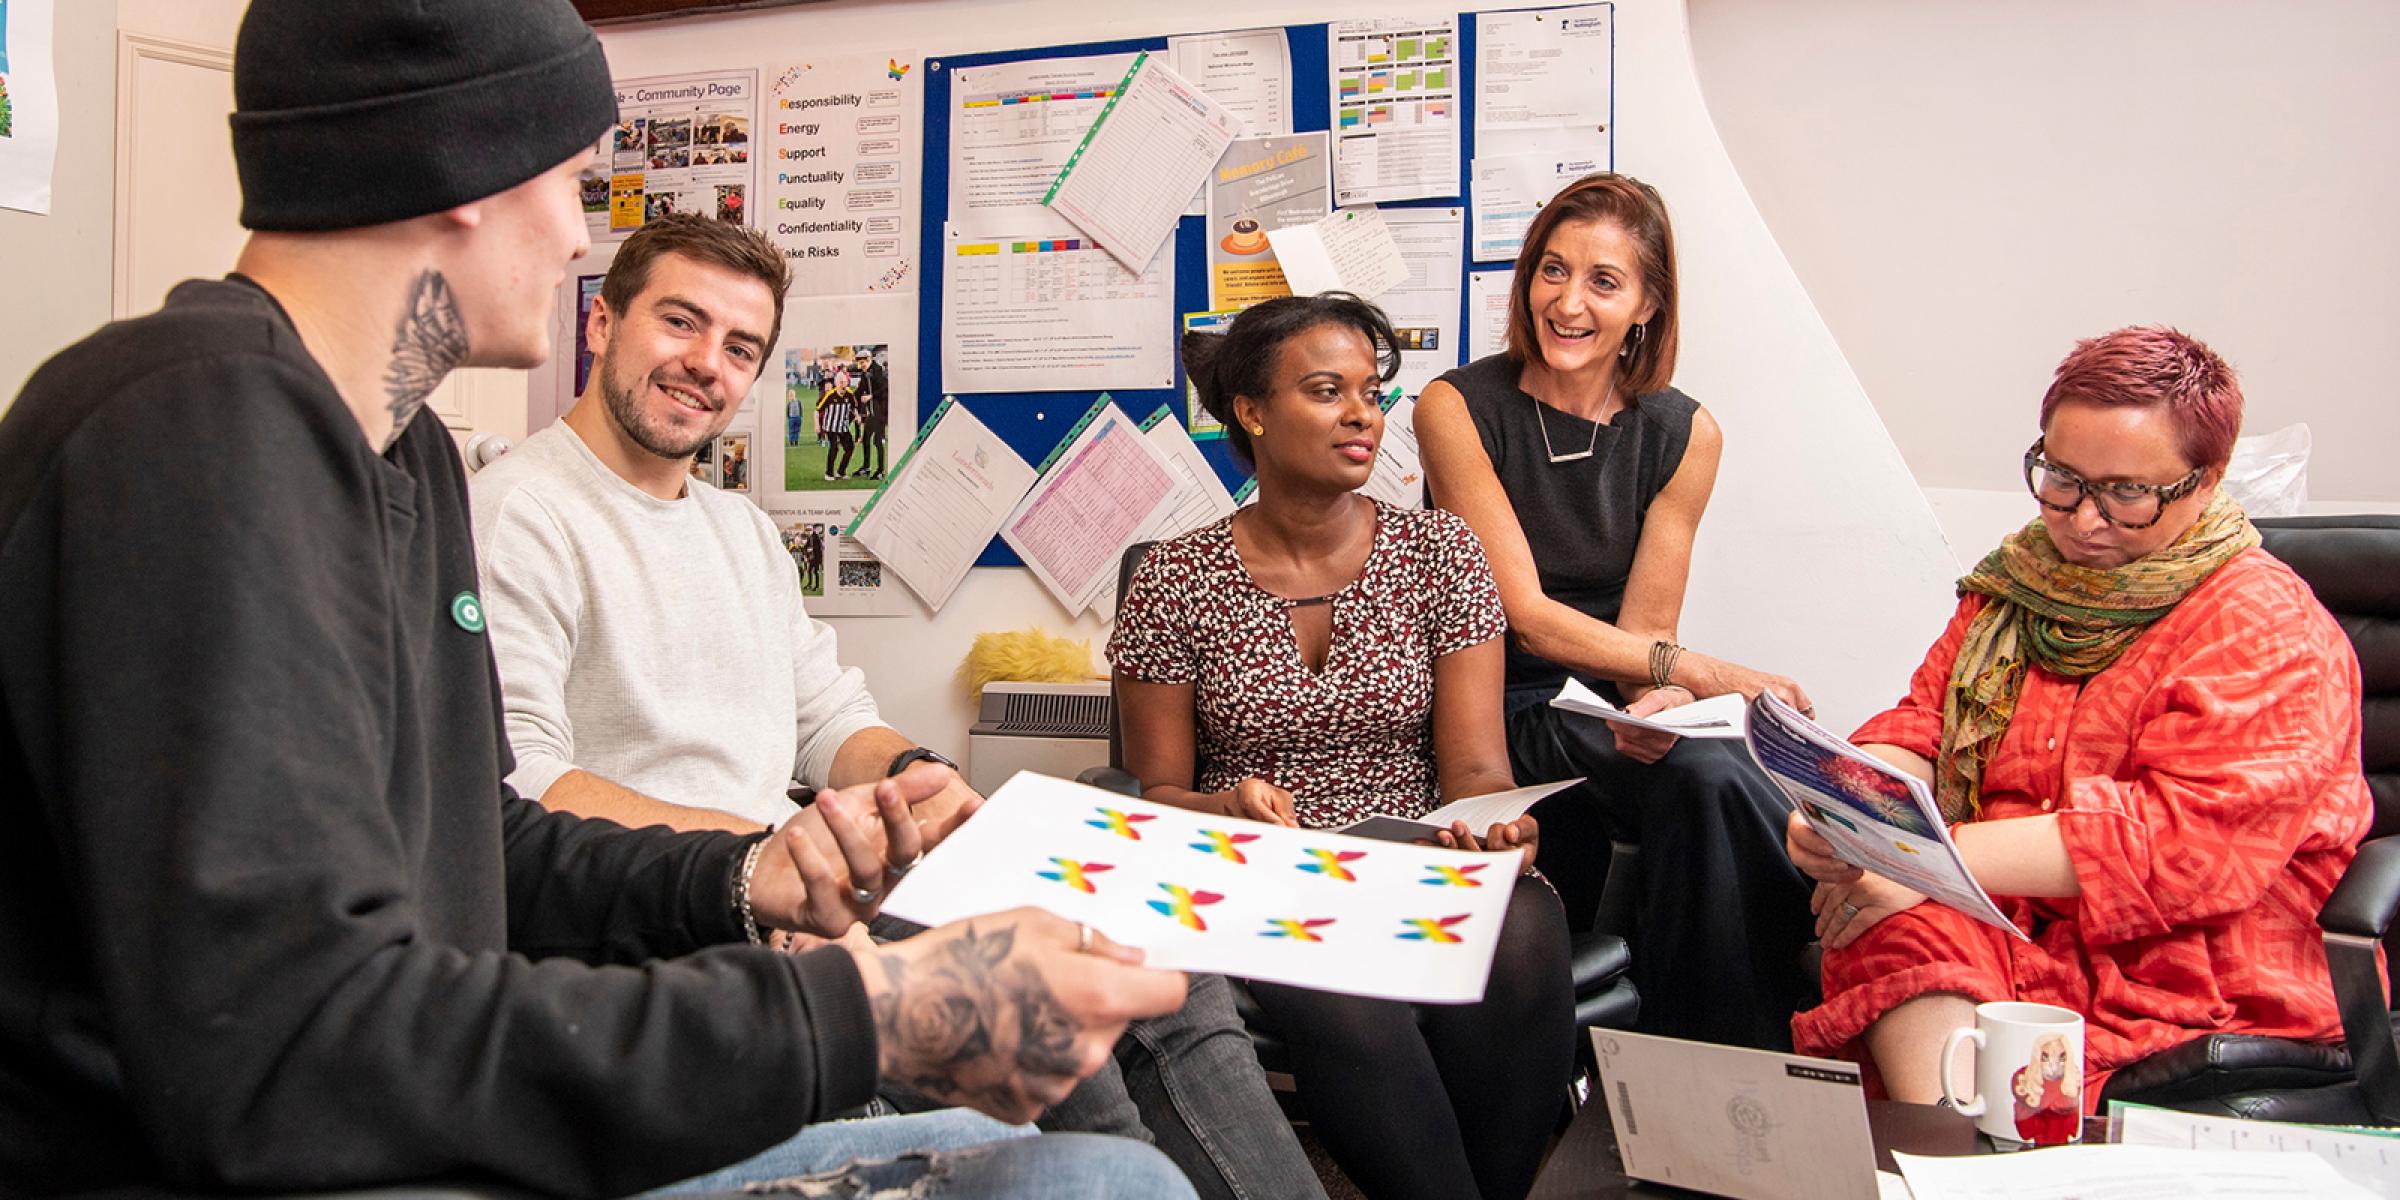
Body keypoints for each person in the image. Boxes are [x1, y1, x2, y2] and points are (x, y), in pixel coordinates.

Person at [0, 3, 1194, 1195]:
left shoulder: (400, 454)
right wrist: (857, 1015)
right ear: (461, 159)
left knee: (1085, 1162)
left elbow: (486, 839)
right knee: (1094, 1186)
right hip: (336, 1153)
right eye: (572, 181)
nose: (577, 234)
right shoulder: (196, 429)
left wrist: (739, 879)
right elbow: (283, 1048)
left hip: (446, 1099)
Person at [470, 213, 1324, 1200]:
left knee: (1148, 947)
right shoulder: (520, 511)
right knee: (1042, 1001)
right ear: (602, 323)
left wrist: (927, 777)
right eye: (679, 323)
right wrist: (758, 857)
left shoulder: (739, 528)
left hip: (801, 878)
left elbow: (828, 720)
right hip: (676, 908)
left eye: (740, 346)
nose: (706, 363)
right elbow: (519, 785)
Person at [1787, 326, 2371, 1106]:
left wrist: (1927, 863)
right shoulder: (2019, 585)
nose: (2084, 519)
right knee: (1887, 919)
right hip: (2013, 920)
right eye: (2061, 477)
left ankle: (1980, 1154)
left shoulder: (2264, 626)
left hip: (2188, 956)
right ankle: (1958, 1160)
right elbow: (1925, 724)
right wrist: (1850, 806)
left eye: (2126, 493)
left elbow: (2173, 845)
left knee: (1904, 908)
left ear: (2206, 481)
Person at [1111, 293, 1576, 1200]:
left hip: (1414, 851)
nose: (1363, 413)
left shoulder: (1441, 552)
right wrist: (1226, 805)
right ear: (1251, 410)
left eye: (1372, 391)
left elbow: (1479, 771)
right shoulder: (1173, 577)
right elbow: (1151, 792)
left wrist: (1499, 831)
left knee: (1523, 929)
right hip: (1260, 870)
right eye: (1328, 391)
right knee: (1330, 963)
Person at [1414, 172, 1816, 1049]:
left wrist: (1660, 703)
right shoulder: (1457, 406)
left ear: (1646, 305)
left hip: (1601, 709)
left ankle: (1701, 1056)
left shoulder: (1685, 432)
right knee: (1718, 779)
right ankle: (1759, 1038)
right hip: (1497, 704)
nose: (1567, 301)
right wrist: (1707, 675)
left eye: (1603, 281)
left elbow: (1645, 635)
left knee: (1711, 772)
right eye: (1552, 271)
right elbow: (1521, 614)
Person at [855, 347, 892, 479]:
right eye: (859, 363)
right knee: (866, 439)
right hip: (871, 412)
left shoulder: (878, 371)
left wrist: (871, 396)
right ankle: (866, 467)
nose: (861, 365)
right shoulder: (865, 373)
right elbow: (860, 390)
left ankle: (881, 471)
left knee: (877, 441)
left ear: (869, 360)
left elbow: (885, 389)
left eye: (863, 362)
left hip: (881, 412)